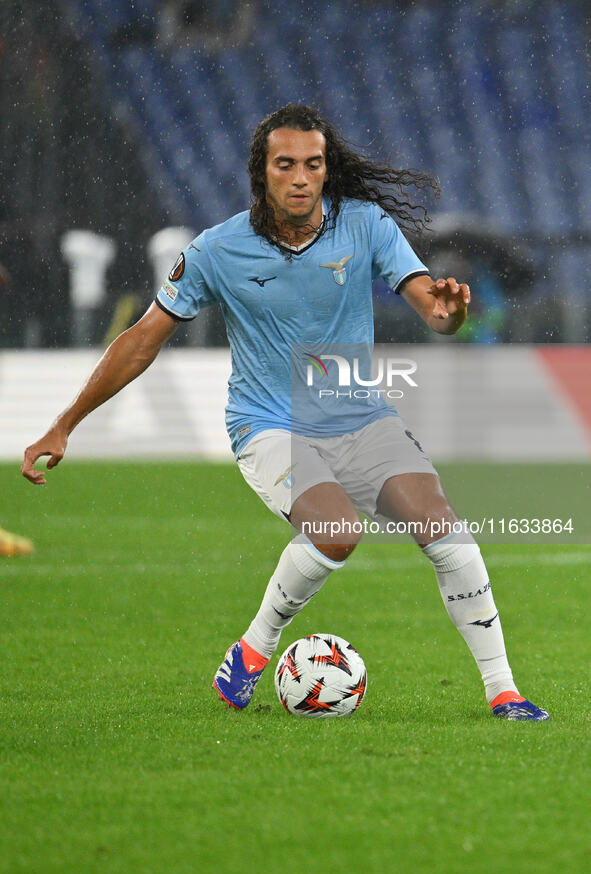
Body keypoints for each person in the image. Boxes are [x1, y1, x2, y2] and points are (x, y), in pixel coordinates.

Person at [22, 103, 548, 721]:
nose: (301, 177)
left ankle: (503, 690)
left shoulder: (366, 226)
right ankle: (253, 650)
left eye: (313, 164)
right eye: (285, 164)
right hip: (268, 422)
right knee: (336, 531)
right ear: (261, 172)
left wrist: (453, 311)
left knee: (447, 534)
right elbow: (141, 340)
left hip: (359, 416)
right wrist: (65, 421)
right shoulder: (218, 250)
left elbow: (436, 311)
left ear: (327, 171)